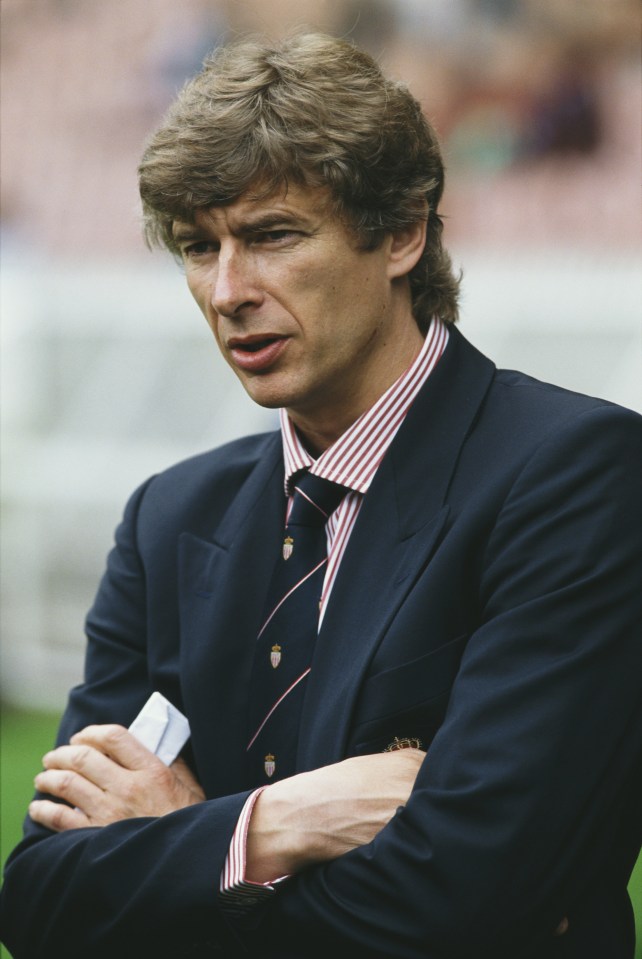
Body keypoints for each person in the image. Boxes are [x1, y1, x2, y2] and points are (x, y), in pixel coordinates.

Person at [1, 32, 641, 959]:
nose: (227, 290)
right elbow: (43, 902)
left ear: (401, 232)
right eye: (196, 246)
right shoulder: (169, 516)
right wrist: (271, 825)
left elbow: (469, 895)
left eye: (271, 236)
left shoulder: (575, 472)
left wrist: (180, 843)